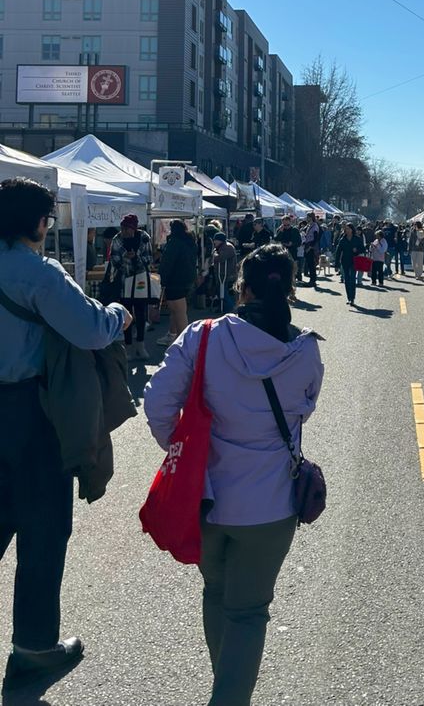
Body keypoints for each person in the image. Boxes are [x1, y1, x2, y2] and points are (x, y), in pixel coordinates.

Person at [143, 244, 323, 706]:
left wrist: (180, 449)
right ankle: (229, 695)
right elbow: (304, 409)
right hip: (271, 505)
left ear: (240, 288)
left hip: (204, 496)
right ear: (291, 284)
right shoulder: (304, 351)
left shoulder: (202, 337)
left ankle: (226, 685)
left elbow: (158, 403)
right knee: (248, 612)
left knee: (216, 593)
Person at [0, 178, 130, 686]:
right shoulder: (39, 274)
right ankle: (33, 646)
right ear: (37, 222)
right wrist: (118, 314)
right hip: (30, 413)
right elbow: (90, 329)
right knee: (43, 529)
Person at [110, 214, 154, 361]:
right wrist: (125, 259)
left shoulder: (144, 238)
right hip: (124, 281)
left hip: (141, 280)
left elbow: (149, 259)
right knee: (126, 314)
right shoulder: (117, 239)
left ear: (133, 228)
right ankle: (127, 347)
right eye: (123, 228)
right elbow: (114, 260)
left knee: (141, 314)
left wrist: (135, 258)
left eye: (127, 228)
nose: (124, 231)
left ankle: (140, 345)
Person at [157, 220, 198, 348]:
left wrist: (162, 280)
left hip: (175, 281)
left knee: (179, 311)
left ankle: (184, 342)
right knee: (177, 311)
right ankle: (173, 335)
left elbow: (167, 264)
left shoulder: (174, 243)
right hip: (187, 279)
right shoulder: (190, 242)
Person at [335, 222, 361, 307]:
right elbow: (338, 252)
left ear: (352, 229)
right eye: (345, 229)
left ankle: (353, 298)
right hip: (345, 261)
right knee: (347, 279)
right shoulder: (343, 239)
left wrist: (356, 250)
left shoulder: (357, 238)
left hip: (354, 261)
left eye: (348, 228)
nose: (347, 230)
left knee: (352, 279)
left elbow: (363, 248)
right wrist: (337, 264)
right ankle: (349, 298)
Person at [212, 232, 239, 314]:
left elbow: (221, 258)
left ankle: (230, 309)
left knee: (224, 292)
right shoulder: (221, 247)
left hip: (226, 273)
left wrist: (215, 255)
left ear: (220, 240)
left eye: (216, 240)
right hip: (222, 273)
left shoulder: (228, 247)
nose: (214, 242)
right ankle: (223, 307)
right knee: (221, 291)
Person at [302, 213, 320, 289]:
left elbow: (316, 238)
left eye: (308, 217)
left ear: (311, 218)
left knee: (312, 265)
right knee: (309, 264)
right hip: (307, 245)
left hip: (311, 247)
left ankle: (313, 281)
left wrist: (310, 247)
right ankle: (312, 280)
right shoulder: (309, 225)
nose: (307, 218)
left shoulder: (315, 226)